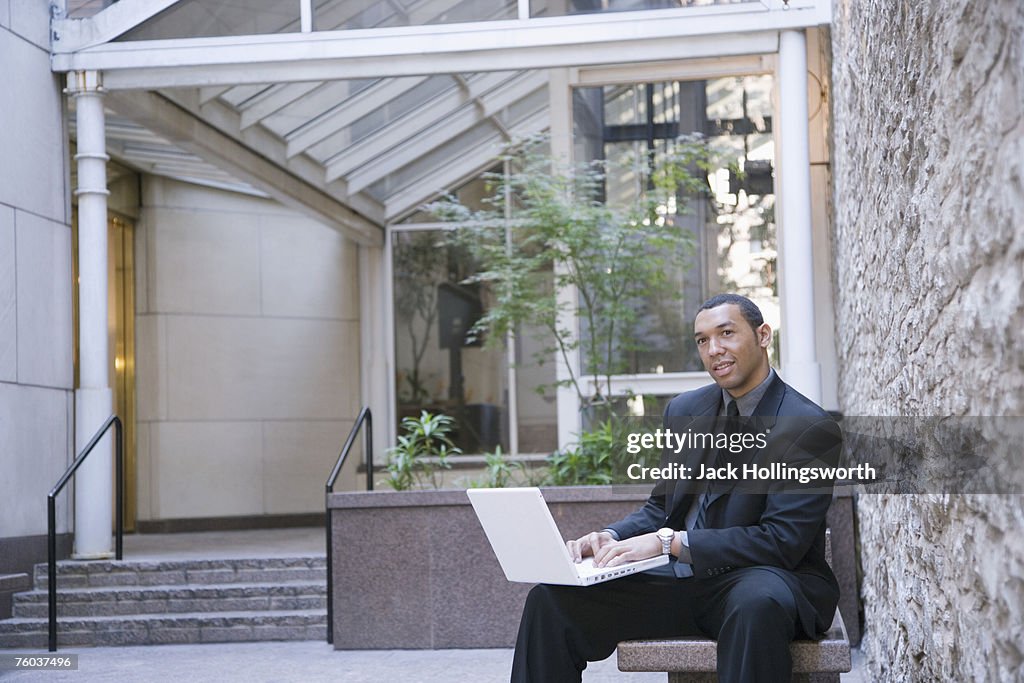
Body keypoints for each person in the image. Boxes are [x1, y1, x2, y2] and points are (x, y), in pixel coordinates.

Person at [511, 293, 842, 683]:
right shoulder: (685, 410)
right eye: (702, 340)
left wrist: (670, 543)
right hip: (681, 580)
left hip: (763, 579)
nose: (714, 349)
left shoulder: (807, 425)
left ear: (763, 335)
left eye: (726, 333)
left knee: (756, 605)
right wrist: (608, 536)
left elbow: (782, 541)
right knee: (550, 600)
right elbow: (661, 507)